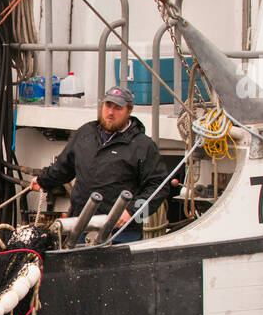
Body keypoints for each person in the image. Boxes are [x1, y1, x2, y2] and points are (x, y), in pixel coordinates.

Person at [29, 85, 170, 243]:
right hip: (80, 227)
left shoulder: (143, 145)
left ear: (129, 111)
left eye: (118, 108)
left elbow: (159, 187)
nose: (110, 112)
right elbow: (64, 167)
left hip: (122, 233)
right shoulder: (86, 133)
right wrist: (43, 181)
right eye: (108, 105)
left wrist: (132, 212)